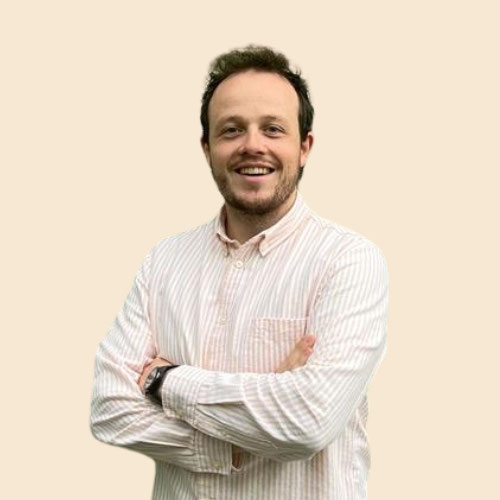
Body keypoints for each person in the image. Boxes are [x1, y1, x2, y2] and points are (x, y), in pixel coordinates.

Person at [90, 45, 389, 500]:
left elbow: (308, 422)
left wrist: (164, 381)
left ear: (304, 147)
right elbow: (110, 409)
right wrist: (240, 434)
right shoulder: (163, 262)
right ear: (207, 148)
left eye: (273, 128)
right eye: (232, 130)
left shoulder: (349, 261)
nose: (253, 145)